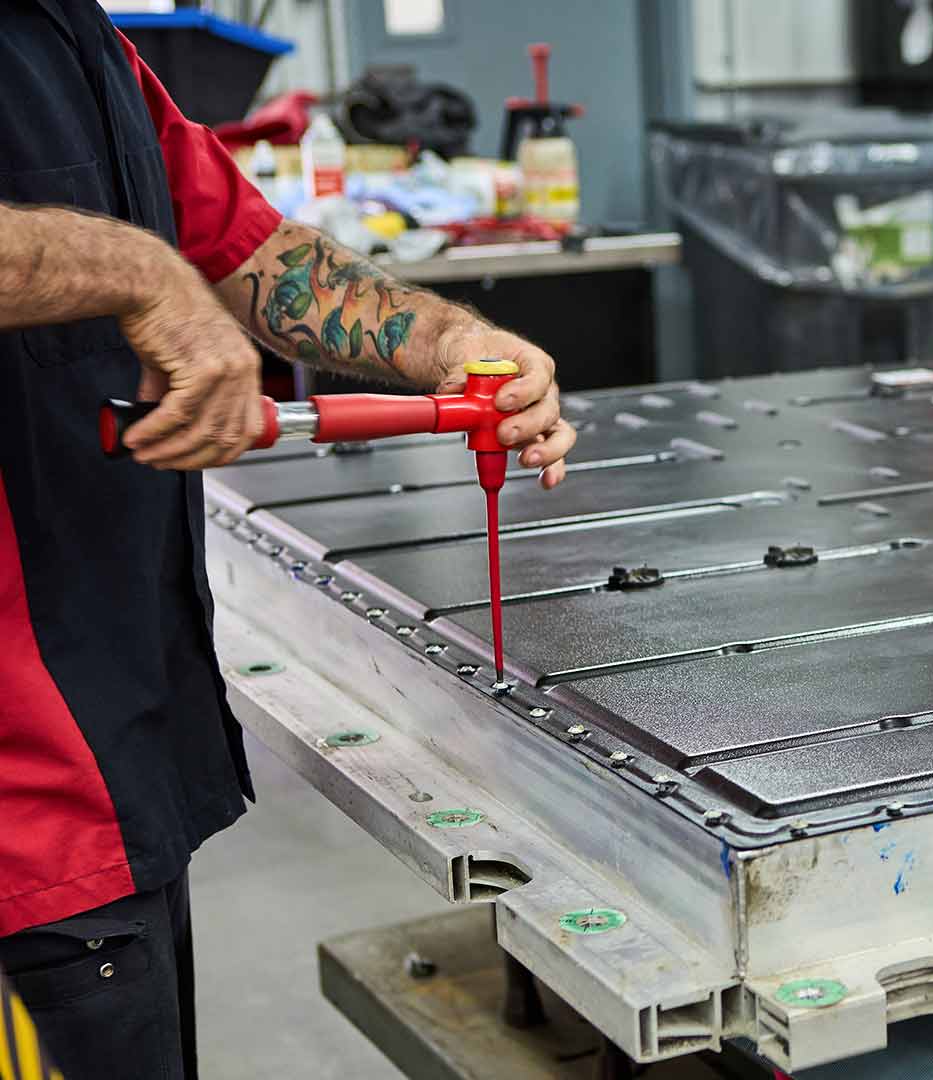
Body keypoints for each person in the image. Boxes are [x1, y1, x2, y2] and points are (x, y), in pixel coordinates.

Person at [0, 3, 578, 1077]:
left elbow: (247, 251)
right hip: (19, 826)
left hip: (114, 761)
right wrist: (133, 274)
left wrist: (452, 341)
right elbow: (157, 265)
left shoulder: (72, 36)